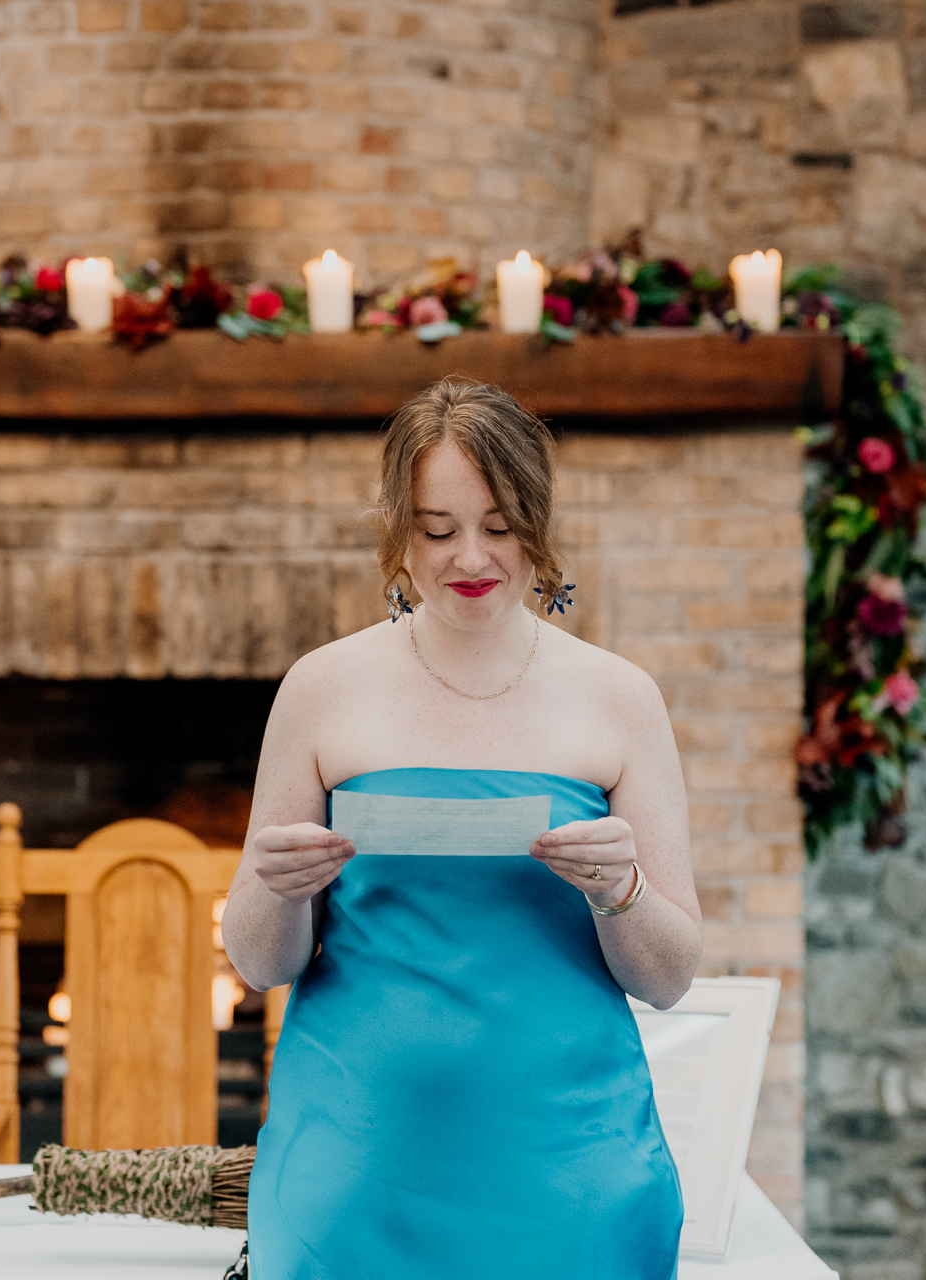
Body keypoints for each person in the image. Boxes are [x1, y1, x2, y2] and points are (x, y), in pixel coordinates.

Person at [225, 379, 703, 1278]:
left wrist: (622, 891)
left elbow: (671, 976)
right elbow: (259, 963)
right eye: (437, 530)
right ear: (399, 535)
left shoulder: (620, 697)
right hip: (354, 1175)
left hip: (573, 1181)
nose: (469, 557)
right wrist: (274, 887)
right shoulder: (321, 689)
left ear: (539, 520)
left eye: (498, 524)